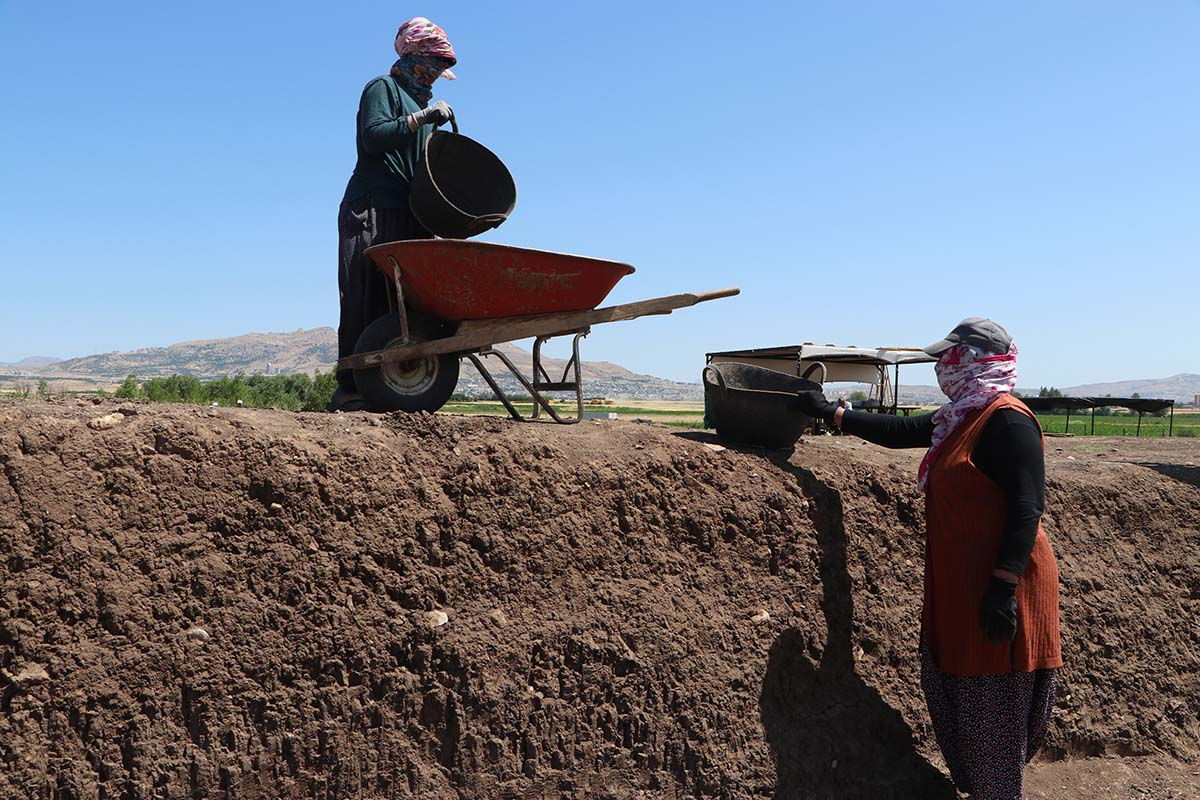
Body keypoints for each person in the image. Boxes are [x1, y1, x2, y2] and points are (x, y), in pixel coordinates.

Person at [795, 317, 1062, 800]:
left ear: (978, 361)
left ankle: (997, 792)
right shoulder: (962, 418)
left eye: (952, 357)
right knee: (965, 690)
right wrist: (831, 413)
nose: (943, 366)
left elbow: (1027, 508)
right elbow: (900, 431)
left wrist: (1002, 587)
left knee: (992, 697)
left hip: (1004, 586)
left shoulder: (1007, 420)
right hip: (966, 585)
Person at [331, 17, 458, 411]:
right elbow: (373, 137)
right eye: (432, 62)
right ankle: (352, 387)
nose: (436, 73)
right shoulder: (383, 89)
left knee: (404, 304)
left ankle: (398, 386)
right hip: (371, 206)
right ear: (414, 56)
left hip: (410, 212)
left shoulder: (424, 106)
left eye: (441, 67)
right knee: (364, 292)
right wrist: (421, 119)